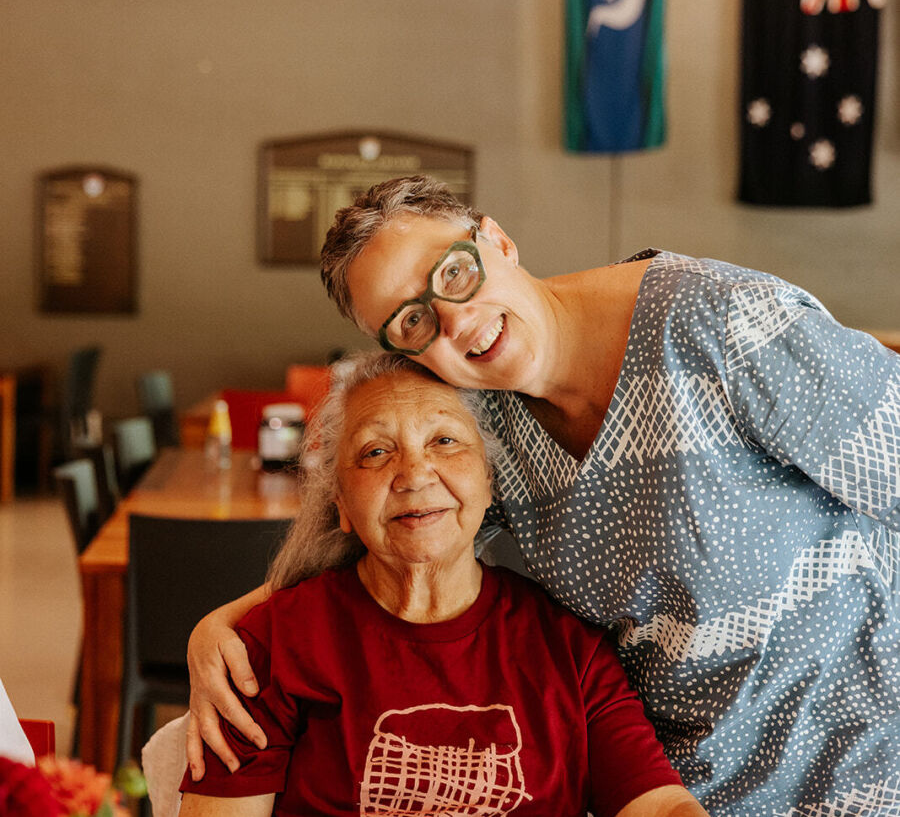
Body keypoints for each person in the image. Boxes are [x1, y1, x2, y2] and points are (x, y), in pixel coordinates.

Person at [188, 176, 900, 816]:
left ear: (495, 239)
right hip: (684, 788)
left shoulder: (718, 322)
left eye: (456, 273)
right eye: (412, 321)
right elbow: (398, 535)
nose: (455, 321)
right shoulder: (485, 417)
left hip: (865, 773)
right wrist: (225, 625)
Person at [178, 352, 709, 817]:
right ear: (340, 502)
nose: (415, 473)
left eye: (445, 440)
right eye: (375, 452)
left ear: (488, 481)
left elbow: (657, 803)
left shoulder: (570, 649)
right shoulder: (266, 650)